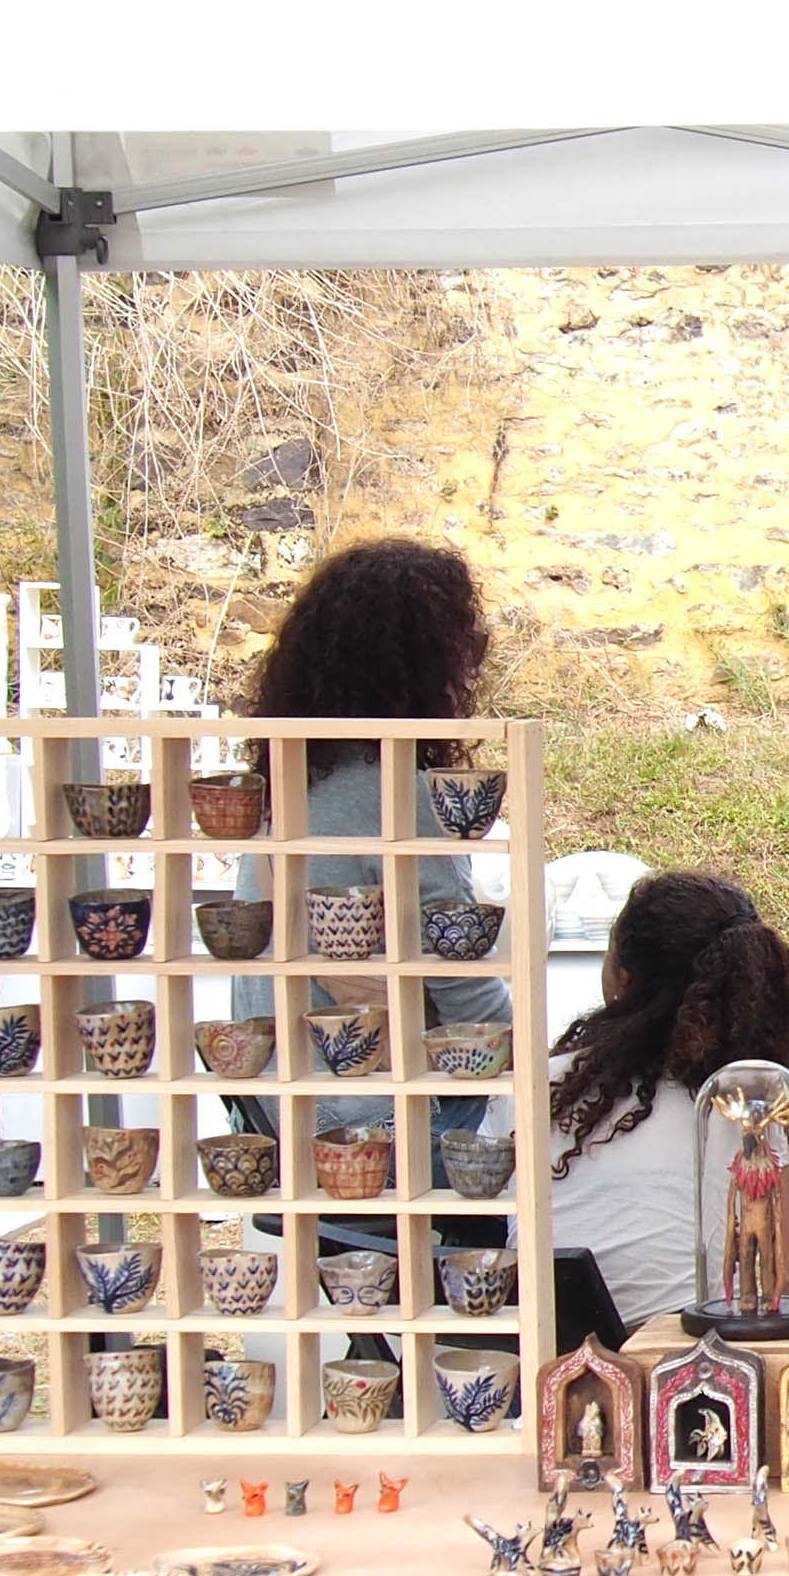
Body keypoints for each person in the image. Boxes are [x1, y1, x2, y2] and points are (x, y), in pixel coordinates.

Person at [237, 537, 509, 1253]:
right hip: (377, 1126)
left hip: (280, 1118)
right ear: (427, 668)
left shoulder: (282, 793)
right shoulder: (396, 799)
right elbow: (469, 998)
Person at [548, 870, 789, 1328]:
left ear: (623, 978)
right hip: (712, 1352)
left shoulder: (535, 1088)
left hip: (552, 1350)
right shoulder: (764, 1104)